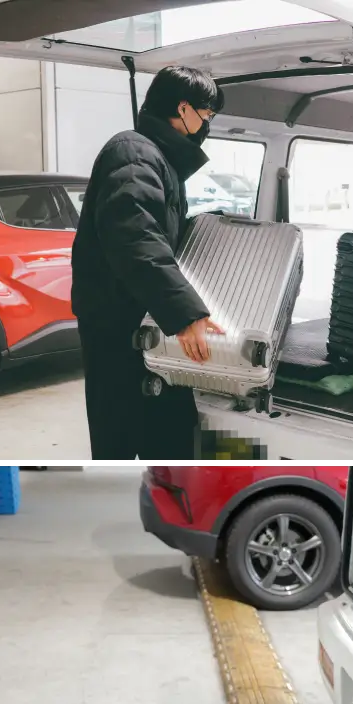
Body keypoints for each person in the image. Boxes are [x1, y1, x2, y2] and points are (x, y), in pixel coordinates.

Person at [71, 65, 226, 463]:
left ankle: (159, 509)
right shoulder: (135, 152)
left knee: (164, 435)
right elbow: (135, 237)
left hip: (138, 319)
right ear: (184, 107)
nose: (208, 124)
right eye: (207, 115)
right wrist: (185, 313)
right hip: (119, 325)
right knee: (123, 439)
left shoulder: (154, 157)